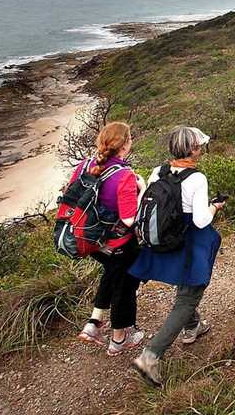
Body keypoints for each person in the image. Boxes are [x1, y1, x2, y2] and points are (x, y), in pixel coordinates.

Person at [130, 126, 224, 387]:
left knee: (185, 289)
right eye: (199, 145)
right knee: (188, 296)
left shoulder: (157, 172)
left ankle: (193, 326)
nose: (202, 148)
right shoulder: (197, 178)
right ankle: (149, 357)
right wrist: (214, 207)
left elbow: (143, 206)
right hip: (189, 241)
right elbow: (201, 220)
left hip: (163, 239)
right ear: (194, 149)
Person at [73, 121, 147, 356]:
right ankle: (119, 339)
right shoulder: (124, 175)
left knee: (113, 275)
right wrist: (143, 189)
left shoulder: (84, 165)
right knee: (124, 285)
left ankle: (93, 324)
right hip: (116, 244)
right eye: (130, 138)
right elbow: (128, 220)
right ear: (124, 145)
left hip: (90, 241)